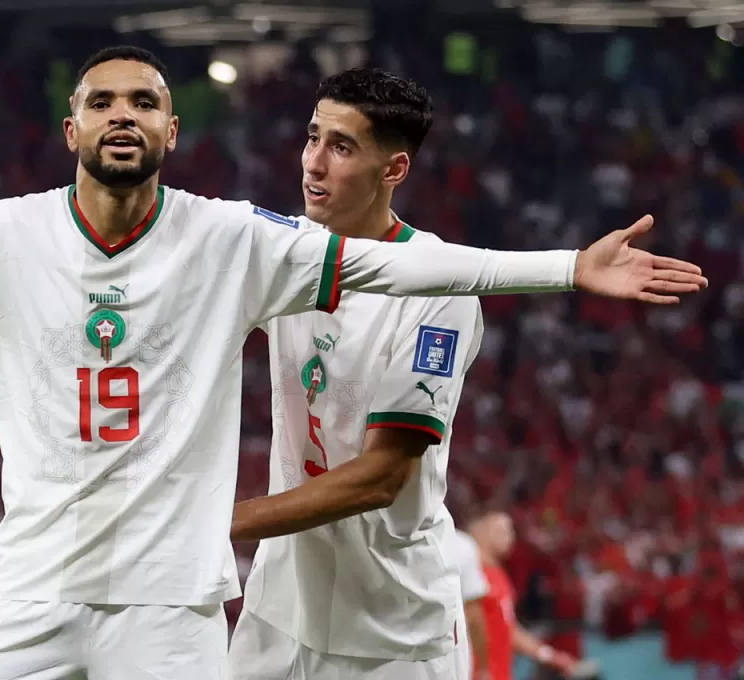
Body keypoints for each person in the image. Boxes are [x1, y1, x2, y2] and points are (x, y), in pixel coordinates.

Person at [0, 48, 704, 680]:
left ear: (171, 131)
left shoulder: (231, 240)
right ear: (68, 128)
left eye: (145, 100)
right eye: (100, 98)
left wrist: (566, 267)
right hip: (39, 591)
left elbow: (419, 274)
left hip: (182, 605)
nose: (122, 112)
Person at [226, 69, 608, 680]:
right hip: (280, 609)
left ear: (394, 170)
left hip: (392, 631)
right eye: (313, 137)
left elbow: (380, 478)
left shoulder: (440, 295)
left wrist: (219, 524)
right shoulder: (286, 256)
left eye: (342, 146)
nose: (313, 164)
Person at [470, 511, 580, 680]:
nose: (510, 537)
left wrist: (549, 655)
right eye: (501, 530)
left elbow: (509, 629)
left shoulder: (499, 576)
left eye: (511, 530)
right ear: (481, 533)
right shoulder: (471, 575)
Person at [453, 529, 493, 680]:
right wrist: (483, 668)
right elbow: (474, 616)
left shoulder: (376, 536)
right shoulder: (461, 545)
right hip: (447, 660)